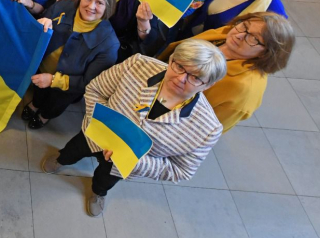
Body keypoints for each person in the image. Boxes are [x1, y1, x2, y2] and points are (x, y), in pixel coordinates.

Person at [41, 39, 226, 217]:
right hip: (94, 134)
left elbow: (182, 170)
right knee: (73, 150)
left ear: (209, 84)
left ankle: (98, 193)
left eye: (195, 77)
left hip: (124, 165)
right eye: (179, 67)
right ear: (171, 60)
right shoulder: (138, 64)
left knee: (104, 181)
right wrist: (97, 123)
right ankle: (62, 159)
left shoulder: (208, 129)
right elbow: (96, 90)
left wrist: (136, 162)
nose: (181, 78)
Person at [159, 12, 294, 132]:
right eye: (244, 26)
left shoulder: (244, 89)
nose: (240, 35)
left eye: (254, 38)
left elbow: (205, 128)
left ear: (267, 53)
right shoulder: (229, 35)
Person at [24, 0, 119, 129]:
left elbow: (89, 82)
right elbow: (41, 24)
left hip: (67, 88)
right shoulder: (63, 5)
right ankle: (35, 104)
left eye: (99, 3)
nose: (91, 6)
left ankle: (44, 116)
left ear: (108, 7)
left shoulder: (110, 44)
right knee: (38, 92)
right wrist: (43, 22)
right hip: (42, 68)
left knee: (54, 104)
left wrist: (54, 80)